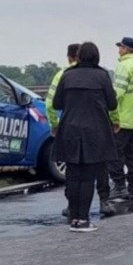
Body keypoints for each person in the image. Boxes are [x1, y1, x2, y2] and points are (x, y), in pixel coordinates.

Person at [52, 42, 118, 232]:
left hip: (70, 129)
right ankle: (83, 220)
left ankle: (74, 218)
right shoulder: (102, 75)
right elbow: (112, 104)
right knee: (88, 176)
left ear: (79, 56)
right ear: (97, 56)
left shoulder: (67, 75)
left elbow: (57, 103)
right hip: (95, 131)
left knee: (73, 176)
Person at [101, 36, 133, 202]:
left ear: (127, 49)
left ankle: (119, 186)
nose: (119, 50)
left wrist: (109, 112)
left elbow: (117, 94)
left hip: (122, 119)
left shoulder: (124, 66)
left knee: (115, 154)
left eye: (121, 47)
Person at [46, 43, 80, 219]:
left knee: (71, 167)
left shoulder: (62, 75)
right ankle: (103, 200)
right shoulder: (99, 73)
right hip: (92, 129)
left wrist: (54, 124)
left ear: (69, 57)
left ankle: (72, 206)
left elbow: (50, 103)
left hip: (67, 126)